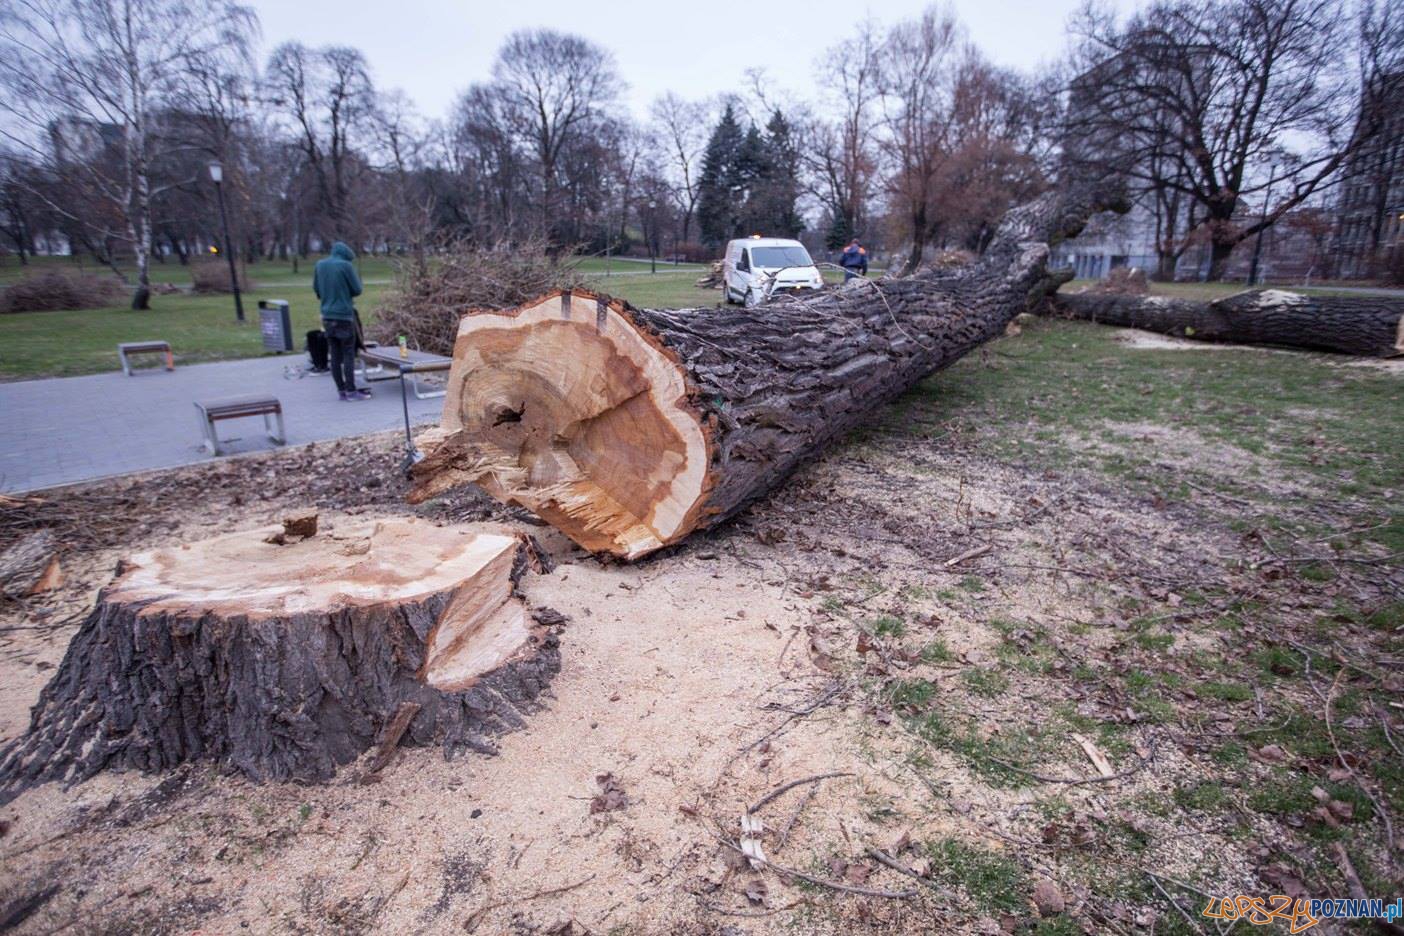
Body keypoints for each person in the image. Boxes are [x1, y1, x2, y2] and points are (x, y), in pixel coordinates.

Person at [314, 241, 368, 400]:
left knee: (335, 355)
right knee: (348, 354)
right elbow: (357, 290)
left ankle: (341, 391)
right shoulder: (346, 266)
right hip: (344, 315)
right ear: (346, 255)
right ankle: (351, 390)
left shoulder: (320, 265)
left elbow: (316, 289)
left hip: (327, 316)